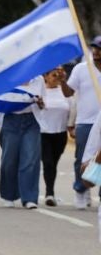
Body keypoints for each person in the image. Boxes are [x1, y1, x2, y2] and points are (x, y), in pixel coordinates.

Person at [60, 35, 101, 209]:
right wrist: (63, 81)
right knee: (83, 158)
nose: (96, 51)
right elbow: (69, 93)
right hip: (85, 121)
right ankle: (81, 190)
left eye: (99, 48)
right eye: (94, 48)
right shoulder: (82, 69)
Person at [0, 76, 45, 209]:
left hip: (31, 122)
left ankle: (29, 198)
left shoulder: (38, 79)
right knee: (9, 160)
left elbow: (43, 103)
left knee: (31, 160)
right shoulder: (8, 76)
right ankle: (9, 195)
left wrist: (40, 103)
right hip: (11, 120)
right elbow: (0, 101)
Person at [34, 67, 73, 207]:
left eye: (59, 74)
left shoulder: (64, 91)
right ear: (46, 76)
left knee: (53, 164)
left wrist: (71, 127)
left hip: (60, 134)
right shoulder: (40, 91)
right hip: (43, 133)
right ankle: (49, 194)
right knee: (48, 162)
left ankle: (50, 190)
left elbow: (71, 109)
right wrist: (39, 104)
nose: (56, 76)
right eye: (53, 74)